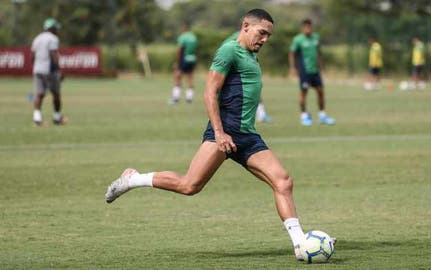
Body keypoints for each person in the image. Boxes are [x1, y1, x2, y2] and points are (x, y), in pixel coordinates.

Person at [106, 9, 323, 261]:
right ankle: (132, 179)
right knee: (189, 186)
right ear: (245, 26)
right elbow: (209, 92)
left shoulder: (252, 54)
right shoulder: (229, 50)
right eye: (261, 33)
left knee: (283, 182)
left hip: (248, 136)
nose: (264, 39)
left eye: (268, 36)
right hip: (223, 132)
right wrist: (219, 133)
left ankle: (300, 245)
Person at [289, 19, 335, 126]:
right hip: (304, 71)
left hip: (315, 71)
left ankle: (322, 115)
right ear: (302, 28)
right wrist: (292, 67)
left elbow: (318, 52)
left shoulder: (316, 37)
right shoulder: (298, 39)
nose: (308, 29)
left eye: (310, 27)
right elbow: (292, 53)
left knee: (320, 91)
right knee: (304, 93)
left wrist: (321, 66)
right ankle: (304, 115)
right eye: (306, 27)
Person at [223, 31, 272, 123]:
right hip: (235, 71)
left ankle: (261, 114)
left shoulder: (248, 37)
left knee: (254, 90)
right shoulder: (236, 40)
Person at [31, 18, 66, 126]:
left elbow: (32, 55)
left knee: (39, 94)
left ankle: (37, 118)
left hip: (37, 69)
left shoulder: (37, 38)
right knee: (56, 94)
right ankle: (56, 118)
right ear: (52, 29)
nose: (57, 31)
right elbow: (53, 54)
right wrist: (59, 69)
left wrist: (35, 66)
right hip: (49, 70)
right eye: (56, 28)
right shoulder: (53, 38)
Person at [169, 24, 198, 104]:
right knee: (190, 78)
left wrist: (177, 62)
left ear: (183, 29)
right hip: (192, 58)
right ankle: (189, 98)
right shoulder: (193, 37)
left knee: (177, 77)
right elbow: (195, 49)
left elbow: (179, 50)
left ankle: (175, 98)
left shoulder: (182, 37)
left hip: (184, 58)